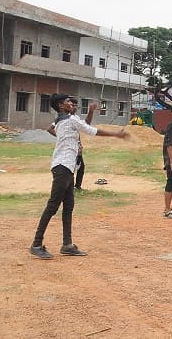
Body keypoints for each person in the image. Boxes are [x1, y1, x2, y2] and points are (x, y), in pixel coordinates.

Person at [30, 94, 127, 259]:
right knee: (53, 206)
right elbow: (92, 130)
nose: (72, 104)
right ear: (61, 105)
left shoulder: (61, 120)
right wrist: (116, 134)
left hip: (67, 167)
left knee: (68, 206)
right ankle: (36, 244)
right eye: (68, 102)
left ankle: (67, 244)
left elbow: (82, 126)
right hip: (62, 166)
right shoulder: (70, 119)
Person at [48, 99, 90, 191]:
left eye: (75, 105)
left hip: (76, 146)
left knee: (80, 166)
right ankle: (69, 187)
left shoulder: (76, 118)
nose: (74, 107)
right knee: (69, 167)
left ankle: (77, 186)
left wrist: (79, 144)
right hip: (67, 149)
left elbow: (82, 129)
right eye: (72, 105)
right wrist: (61, 137)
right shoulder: (65, 118)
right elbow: (50, 129)